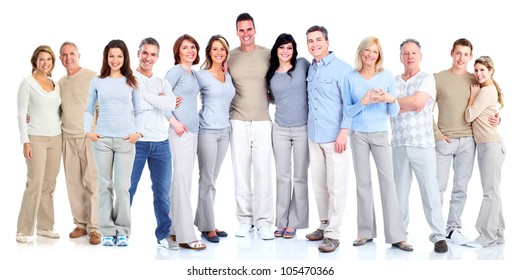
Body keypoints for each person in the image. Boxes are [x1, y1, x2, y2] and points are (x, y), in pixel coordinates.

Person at [345, 36, 412, 251]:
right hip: (358, 135)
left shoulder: (386, 77)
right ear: (360, 52)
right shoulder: (350, 77)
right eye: (367, 50)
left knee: (388, 182)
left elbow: (394, 111)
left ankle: (397, 235)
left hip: (381, 134)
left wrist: (389, 99)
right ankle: (365, 232)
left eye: (374, 51)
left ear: (379, 55)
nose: (370, 55)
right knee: (363, 182)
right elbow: (347, 111)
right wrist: (363, 102)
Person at [433, 38, 500, 245]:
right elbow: (426, 110)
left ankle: (453, 228)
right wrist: (436, 134)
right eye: (458, 53)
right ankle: (436, 231)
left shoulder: (476, 79)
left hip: (469, 141)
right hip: (445, 141)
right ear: (451, 53)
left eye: (466, 54)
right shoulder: (438, 78)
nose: (461, 57)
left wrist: (497, 117)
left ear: (470, 57)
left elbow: (489, 102)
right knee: (437, 188)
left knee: (460, 188)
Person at [390, 39, 447, 253]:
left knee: (430, 191)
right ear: (401, 57)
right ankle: (399, 235)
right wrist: (397, 104)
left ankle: (439, 236)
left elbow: (418, 103)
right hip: (398, 143)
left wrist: (396, 102)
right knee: (399, 193)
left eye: (414, 53)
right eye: (406, 53)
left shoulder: (427, 78)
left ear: (420, 56)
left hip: (422, 143)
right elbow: (389, 108)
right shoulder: (393, 80)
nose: (410, 56)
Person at [84, 39, 143, 247]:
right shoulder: (98, 82)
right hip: (102, 141)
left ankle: (123, 231)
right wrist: (88, 131)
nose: (115, 60)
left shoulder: (132, 81)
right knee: (105, 186)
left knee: (122, 186)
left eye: (119, 56)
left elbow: (139, 110)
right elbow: (89, 108)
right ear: (106, 58)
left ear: (125, 57)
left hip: (126, 141)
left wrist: (138, 133)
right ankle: (107, 230)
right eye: (111, 56)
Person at [128, 37, 180, 250]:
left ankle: (163, 235)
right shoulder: (128, 79)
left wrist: (146, 98)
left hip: (161, 144)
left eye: (152, 54)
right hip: (137, 142)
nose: (148, 57)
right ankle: (118, 231)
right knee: (127, 189)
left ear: (157, 57)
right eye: (144, 53)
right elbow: (133, 105)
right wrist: (156, 100)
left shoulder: (163, 82)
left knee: (162, 192)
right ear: (138, 53)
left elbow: (170, 103)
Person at [303, 25, 351, 253]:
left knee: (336, 186)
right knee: (319, 184)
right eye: (310, 41)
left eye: (318, 40)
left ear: (328, 42)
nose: (314, 45)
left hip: (335, 137)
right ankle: (323, 226)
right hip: (314, 135)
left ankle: (334, 234)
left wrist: (344, 131)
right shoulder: (310, 69)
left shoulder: (342, 69)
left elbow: (349, 104)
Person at [227, 12, 274, 240]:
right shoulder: (229, 56)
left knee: (263, 171)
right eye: (241, 29)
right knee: (241, 172)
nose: (245, 33)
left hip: (263, 120)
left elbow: (278, 81)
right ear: (237, 32)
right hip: (237, 119)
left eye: (249, 29)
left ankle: (264, 222)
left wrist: (271, 96)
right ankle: (245, 220)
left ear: (255, 30)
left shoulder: (267, 54)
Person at [266, 33, 310, 239]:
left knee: (300, 176)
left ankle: (295, 222)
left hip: (303, 128)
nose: (285, 51)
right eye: (282, 48)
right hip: (280, 129)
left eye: (289, 48)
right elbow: (272, 98)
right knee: (282, 176)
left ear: (294, 50)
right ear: (276, 50)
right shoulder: (271, 73)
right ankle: (281, 221)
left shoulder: (303, 65)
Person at [16, 45, 62, 243]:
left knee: (49, 184)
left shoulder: (55, 84)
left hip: (56, 138)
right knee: (34, 183)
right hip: (36, 138)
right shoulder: (27, 83)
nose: (45, 63)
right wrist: (25, 141)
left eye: (49, 60)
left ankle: (45, 226)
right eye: (42, 59)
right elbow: (20, 113)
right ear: (35, 61)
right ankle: (24, 230)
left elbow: (58, 112)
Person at [164, 34, 206, 250]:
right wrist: (174, 122)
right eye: (185, 47)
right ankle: (186, 236)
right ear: (177, 51)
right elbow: (159, 97)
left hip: (193, 132)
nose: (190, 51)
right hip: (180, 133)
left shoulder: (193, 74)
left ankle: (172, 230)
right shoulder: (175, 71)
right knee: (183, 183)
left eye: (193, 47)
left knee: (180, 182)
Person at [57, 41, 101, 245]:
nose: (68, 58)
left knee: (92, 182)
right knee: (73, 184)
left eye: (71, 54)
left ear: (78, 55)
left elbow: (101, 106)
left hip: (89, 137)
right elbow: (57, 112)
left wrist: (97, 132)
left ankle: (95, 228)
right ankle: (80, 224)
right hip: (68, 137)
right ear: (60, 59)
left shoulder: (92, 76)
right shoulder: (60, 83)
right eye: (64, 55)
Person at [193, 35, 235, 243]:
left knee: (212, 179)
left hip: (225, 132)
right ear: (209, 51)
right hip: (207, 132)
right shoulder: (201, 75)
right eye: (215, 49)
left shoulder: (228, 74)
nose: (219, 53)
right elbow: (184, 88)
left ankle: (204, 221)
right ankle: (208, 227)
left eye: (223, 50)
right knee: (207, 179)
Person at [464, 56, 505, 248]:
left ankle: (487, 236)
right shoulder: (488, 89)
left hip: (491, 146)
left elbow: (469, 115)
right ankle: (498, 234)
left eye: (482, 70)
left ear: (491, 71)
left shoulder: (486, 91)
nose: (478, 74)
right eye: (476, 70)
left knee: (490, 193)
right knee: (493, 192)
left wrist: (472, 97)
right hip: (487, 145)